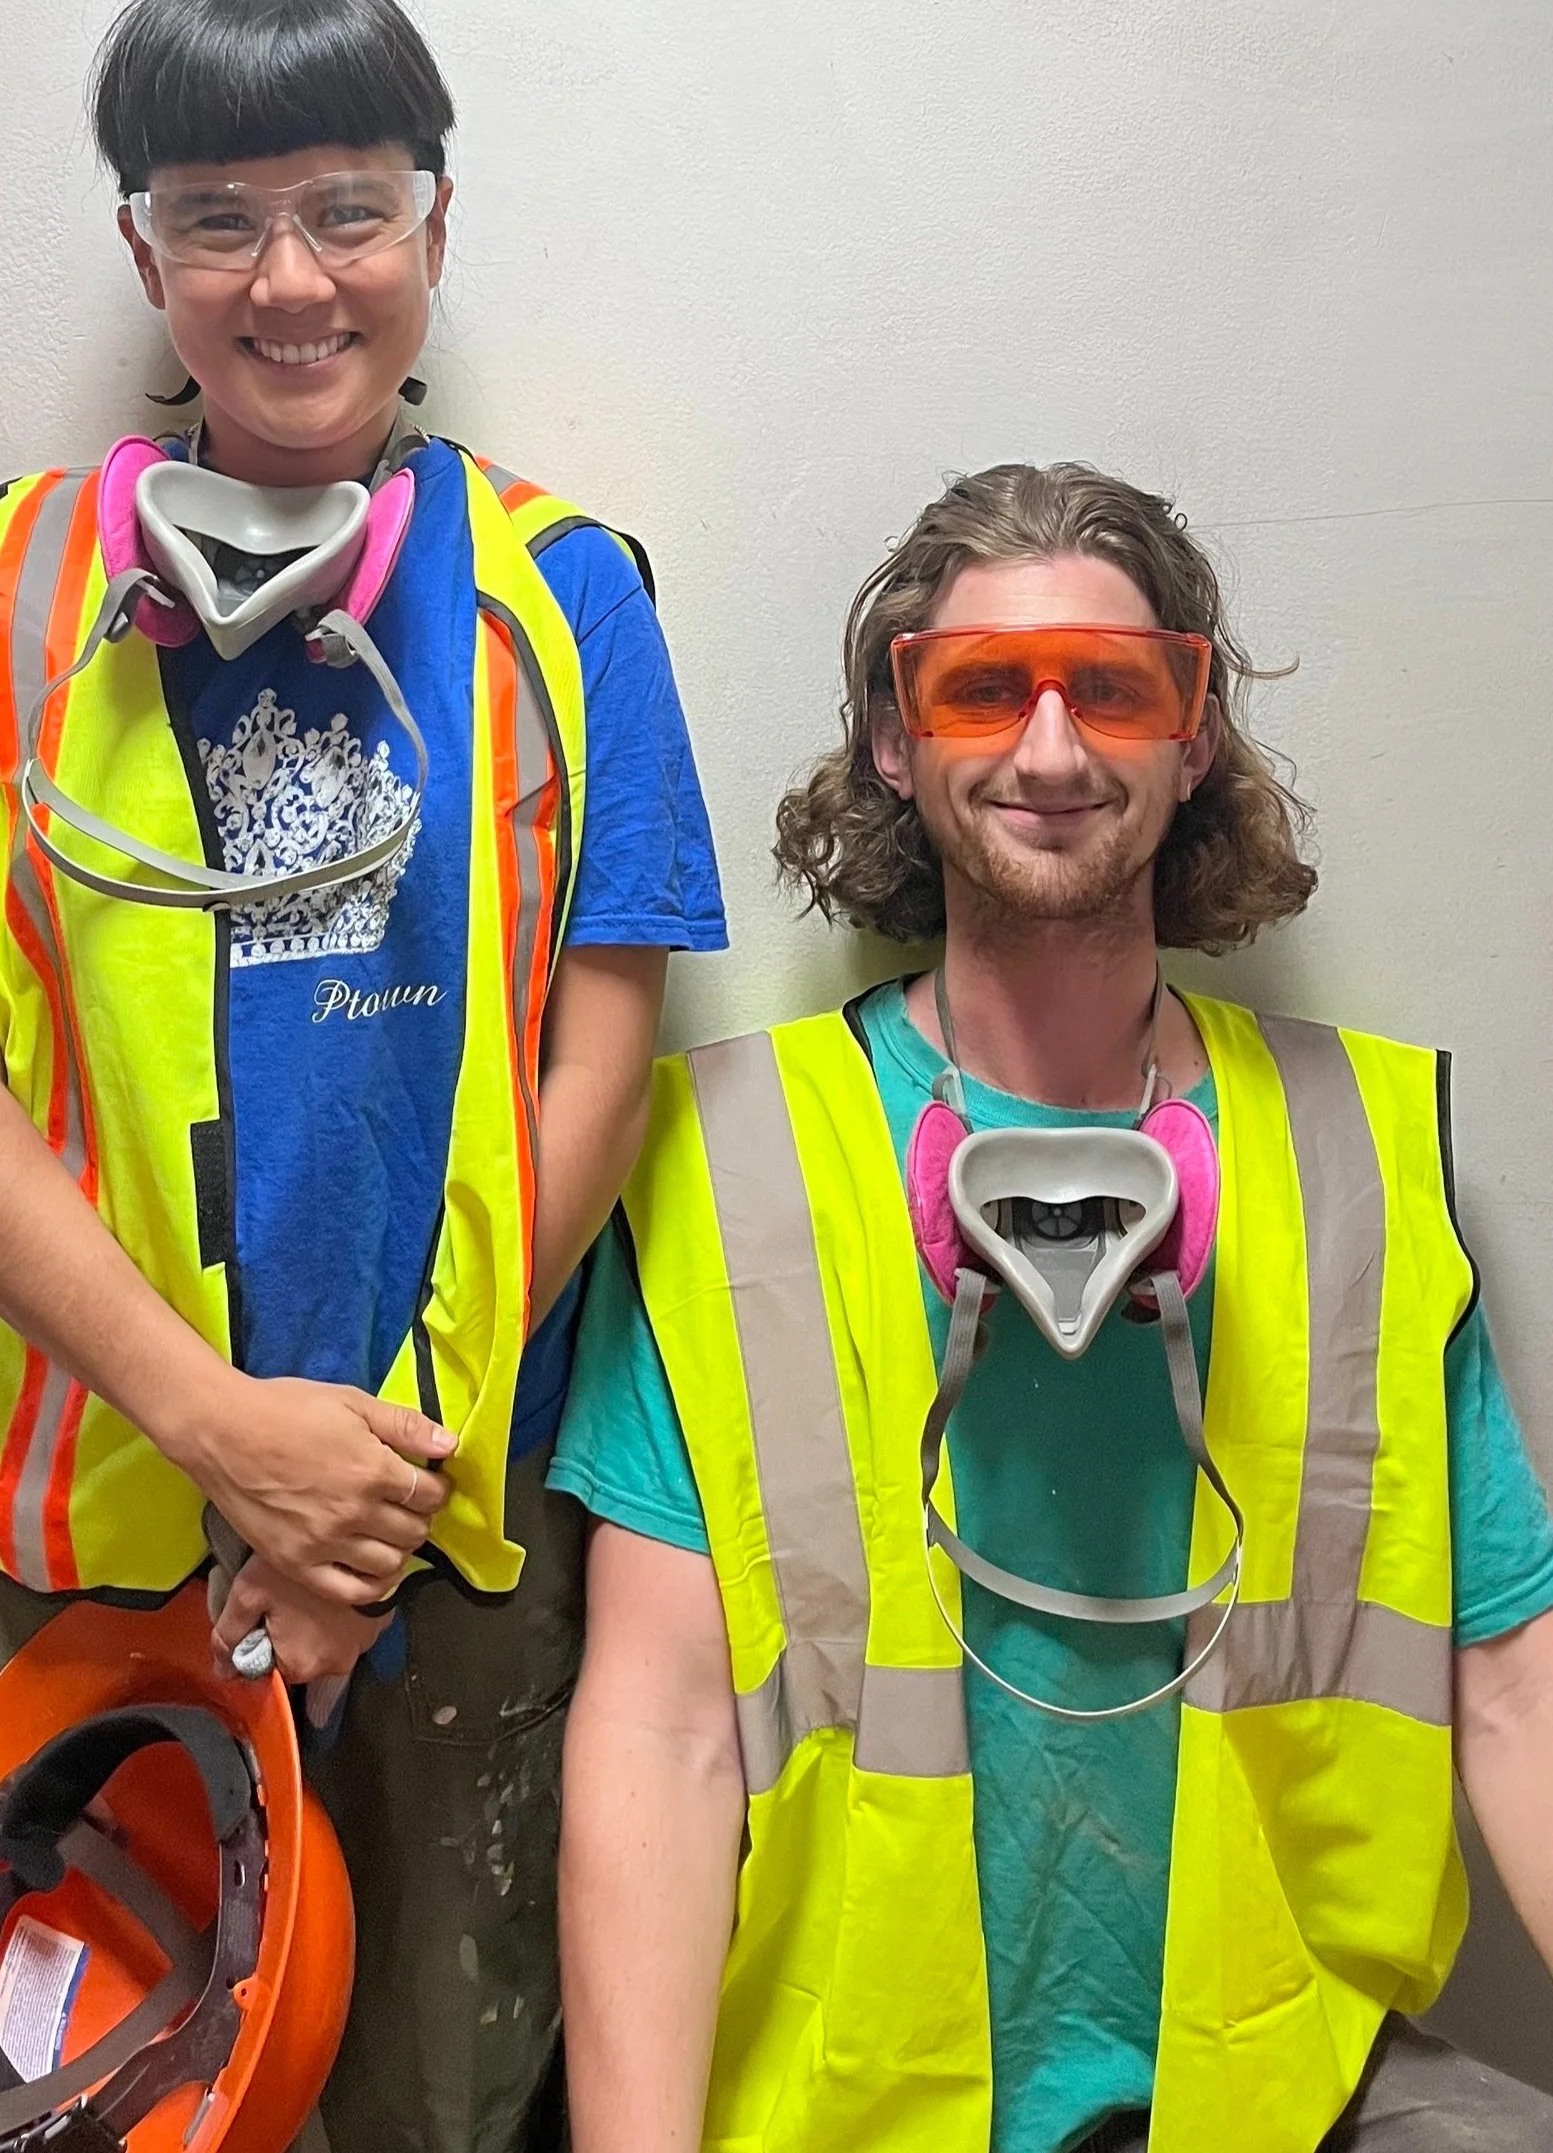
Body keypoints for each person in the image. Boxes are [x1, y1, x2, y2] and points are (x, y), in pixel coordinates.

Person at [0, 0, 726, 2152]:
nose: (292, 279)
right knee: (93, 2089)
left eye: (348, 209)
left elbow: (597, 1075)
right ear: (144, 253)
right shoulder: (8, 594)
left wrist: (354, 1508)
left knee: (437, 2078)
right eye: (219, 219)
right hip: (88, 1510)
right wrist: (225, 1432)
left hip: (435, 1519)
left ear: (436, 224)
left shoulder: (565, 595)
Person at [550, 463, 1553, 2153]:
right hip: (859, 2108)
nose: (1051, 749)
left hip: (1291, 2079)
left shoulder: (1354, 1160)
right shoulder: (727, 1165)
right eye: (981, 691)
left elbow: (1516, 1689)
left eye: (1113, 688)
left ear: (1193, 734)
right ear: (895, 739)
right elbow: (659, 1735)